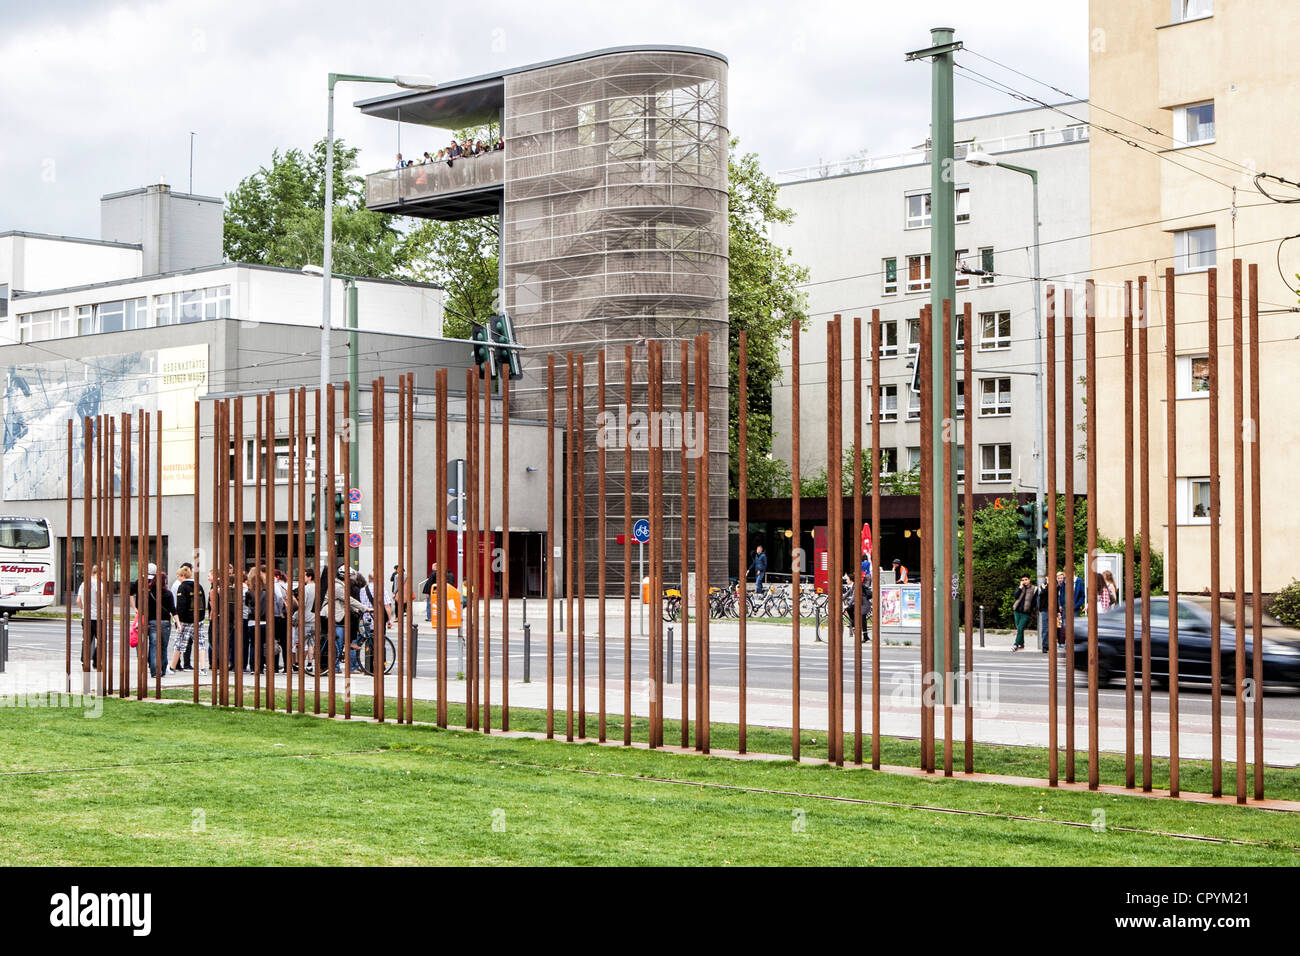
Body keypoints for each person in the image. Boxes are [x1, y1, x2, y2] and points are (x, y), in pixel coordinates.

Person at [130, 563, 175, 679]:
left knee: (144, 641)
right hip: (159, 618)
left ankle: (146, 664)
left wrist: (135, 608)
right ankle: (156, 666)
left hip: (145, 616)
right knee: (159, 645)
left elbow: (130, 593)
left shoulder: (140, 581)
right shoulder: (159, 584)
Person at [172, 563, 206, 674]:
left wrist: (178, 622)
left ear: (183, 576)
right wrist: (201, 617)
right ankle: (203, 667)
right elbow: (203, 603)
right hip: (198, 619)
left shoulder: (182, 587)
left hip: (186, 620)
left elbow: (181, 605)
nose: (178, 578)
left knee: (180, 643)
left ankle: (172, 667)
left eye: (179, 576)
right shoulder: (199, 586)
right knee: (201, 643)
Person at [74, 564, 100, 670]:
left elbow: (78, 601)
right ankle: (96, 660)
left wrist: (84, 610)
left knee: (86, 640)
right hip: (98, 617)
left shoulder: (84, 584)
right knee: (102, 640)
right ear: (99, 573)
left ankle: (83, 660)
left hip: (86, 616)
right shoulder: (99, 585)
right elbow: (102, 599)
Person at [1056, 570, 1086, 647]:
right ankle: (1065, 643)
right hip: (1066, 607)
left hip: (1075, 607)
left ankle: (1075, 643)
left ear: (1074, 571)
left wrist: (1076, 605)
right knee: (1065, 625)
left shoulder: (1078, 581)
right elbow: (1061, 594)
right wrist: (1062, 604)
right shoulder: (1064, 581)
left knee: (1075, 625)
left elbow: (1082, 596)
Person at [1011, 575, 1039, 652]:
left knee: (1020, 628)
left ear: (1029, 580)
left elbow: (1035, 601)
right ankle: (1022, 644)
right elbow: (1015, 596)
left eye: (1026, 579)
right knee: (1019, 628)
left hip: (1026, 612)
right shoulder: (1021, 588)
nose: (1024, 581)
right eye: (1023, 580)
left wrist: (1032, 610)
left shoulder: (1034, 589)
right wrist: (1020, 588)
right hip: (1017, 610)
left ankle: (1016, 644)